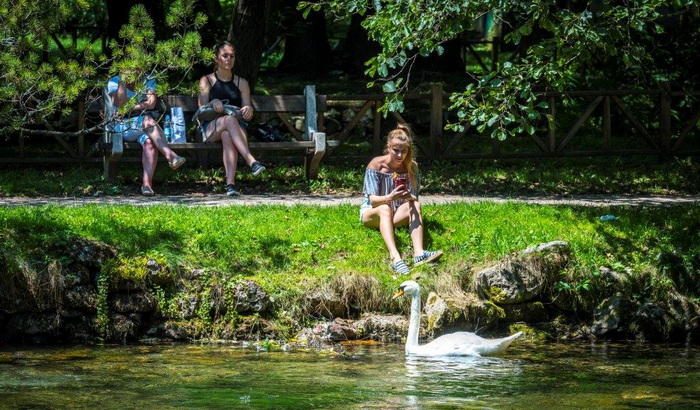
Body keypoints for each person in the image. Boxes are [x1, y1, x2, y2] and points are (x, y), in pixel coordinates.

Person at [360, 124, 443, 274]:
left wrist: (409, 197)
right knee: (384, 208)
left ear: (408, 150)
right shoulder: (376, 165)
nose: (399, 155)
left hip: (396, 214)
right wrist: (389, 197)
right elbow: (372, 201)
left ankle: (419, 254)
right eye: (395, 150)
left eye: (403, 151)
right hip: (373, 213)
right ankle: (395, 258)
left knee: (415, 204)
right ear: (388, 146)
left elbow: (414, 196)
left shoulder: (412, 167)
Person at [198, 41, 266, 197]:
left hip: (236, 128)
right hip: (210, 127)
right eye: (224, 56)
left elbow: (247, 107)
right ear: (216, 59)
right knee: (228, 120)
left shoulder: (242, 83)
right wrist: (212, 102)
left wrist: (248, 109)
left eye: (231, 56)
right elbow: (201, 107)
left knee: (227, 134)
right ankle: (251, 161)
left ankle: (230, 185)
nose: (228, 59)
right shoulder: (206, 80)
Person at [106, 74, 186, 196]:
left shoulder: (148, 79)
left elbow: (151, 103)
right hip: (123, 126)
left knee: (150, 143)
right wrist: (123, 81)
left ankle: (147, 185)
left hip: (145, 128)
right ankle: (170, 156)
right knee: (147, 120)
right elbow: (119, 103)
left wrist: (129, 107)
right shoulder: (114, 81)